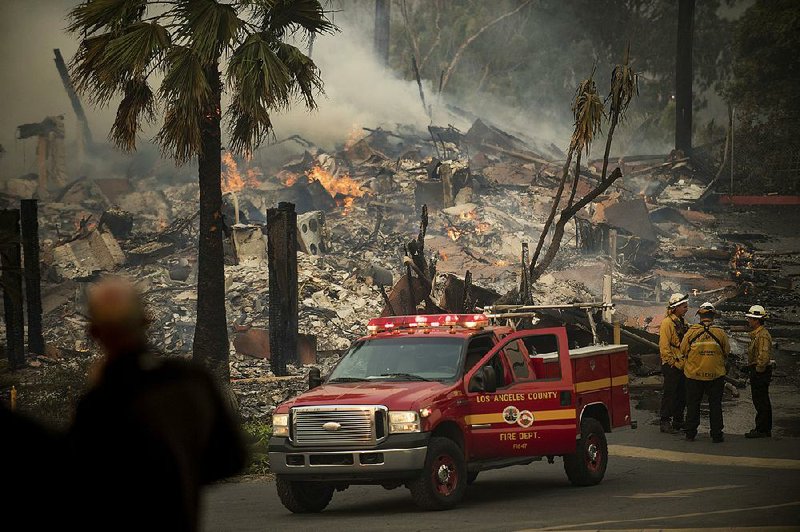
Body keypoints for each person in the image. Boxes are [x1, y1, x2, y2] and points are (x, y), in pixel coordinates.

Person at [67, 277, 246, 531]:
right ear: (145, 322)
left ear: (95, 333)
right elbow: (231, 459)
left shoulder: (97, 404)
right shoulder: (191, 380)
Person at [680, 301, 730, 443]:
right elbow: (727, 352)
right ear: (713, 316)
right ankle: (716, 435)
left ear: (699, 316)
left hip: (694, 376)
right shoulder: (720, 333)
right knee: (715, 405)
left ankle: (690, 434)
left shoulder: (691, 332)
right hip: (715, 375)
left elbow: (683, 350)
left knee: (693, 405)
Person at [658, 293, 689, 433]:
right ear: (675, 307)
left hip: (681, 363)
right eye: (684, 306)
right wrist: (672, 362)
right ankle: (665, 421)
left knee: (681, 394)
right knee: (670, 394)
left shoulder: (681, 321)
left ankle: (678, 420)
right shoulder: (667, 323)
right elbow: (664, 347)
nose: (686, 308)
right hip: (672, 365)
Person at [744, 304, 773, 438]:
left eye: (750, 318)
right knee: (760, 400)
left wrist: (758, 370)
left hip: (760, 372)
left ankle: (762, 429)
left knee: (761, 401)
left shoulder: (762, 336)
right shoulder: (758, 334)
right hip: (759, 371)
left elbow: (763, 355)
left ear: (756, 320)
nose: (748, 321)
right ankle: (763, 428)